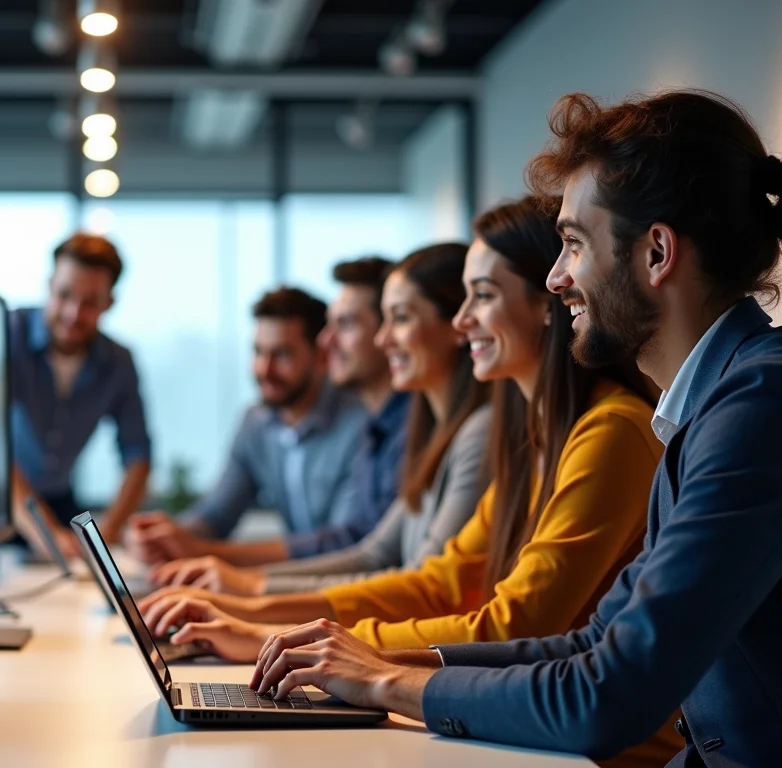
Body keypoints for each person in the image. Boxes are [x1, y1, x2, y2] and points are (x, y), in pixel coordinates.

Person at [247, 90, 782, 767]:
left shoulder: (767, 408)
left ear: (657, 254)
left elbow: (604, 697)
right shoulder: (714, 405)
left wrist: (384, 680)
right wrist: (373, 659)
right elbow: (595, 643)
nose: (558, 278)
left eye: (575, 244)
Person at [140, 196, 680, 768]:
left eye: (484, 296)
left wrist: (345, 652)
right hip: (534, 732)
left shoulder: (610, 432)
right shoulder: (536, 439)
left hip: (604, 753)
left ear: (546, 305)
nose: (461, 320)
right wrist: (278, 629)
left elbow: (511, 624)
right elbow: (441, 580)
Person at [151, 244, 493, 598]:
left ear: (457, 326)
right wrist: (237, 586)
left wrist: (249, 592)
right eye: (257, 352)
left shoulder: (451, 430)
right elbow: (373, 554)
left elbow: (410, 579)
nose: (383, 339)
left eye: (400, 318)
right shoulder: (421, 429)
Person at [126, 287, 370, 564]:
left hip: (342, 586)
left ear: (321, 357)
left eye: (282, 355)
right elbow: (216, 516)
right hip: (296, 584)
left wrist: (206, 552)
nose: (263, 370)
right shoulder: (256, 422)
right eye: (258, 352)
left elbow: (344, 543)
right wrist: (166, 537)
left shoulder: (360, 423)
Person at [10, 233, 151, 556]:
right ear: (49, 285)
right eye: (64, 295)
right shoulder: (9, 335)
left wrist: (110, 533)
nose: (74, 313)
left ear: (109, 303)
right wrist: (42, 532)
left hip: (61, 501)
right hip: (5, 502)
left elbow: (137, 455)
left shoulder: (119, 363)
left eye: (89, 302)